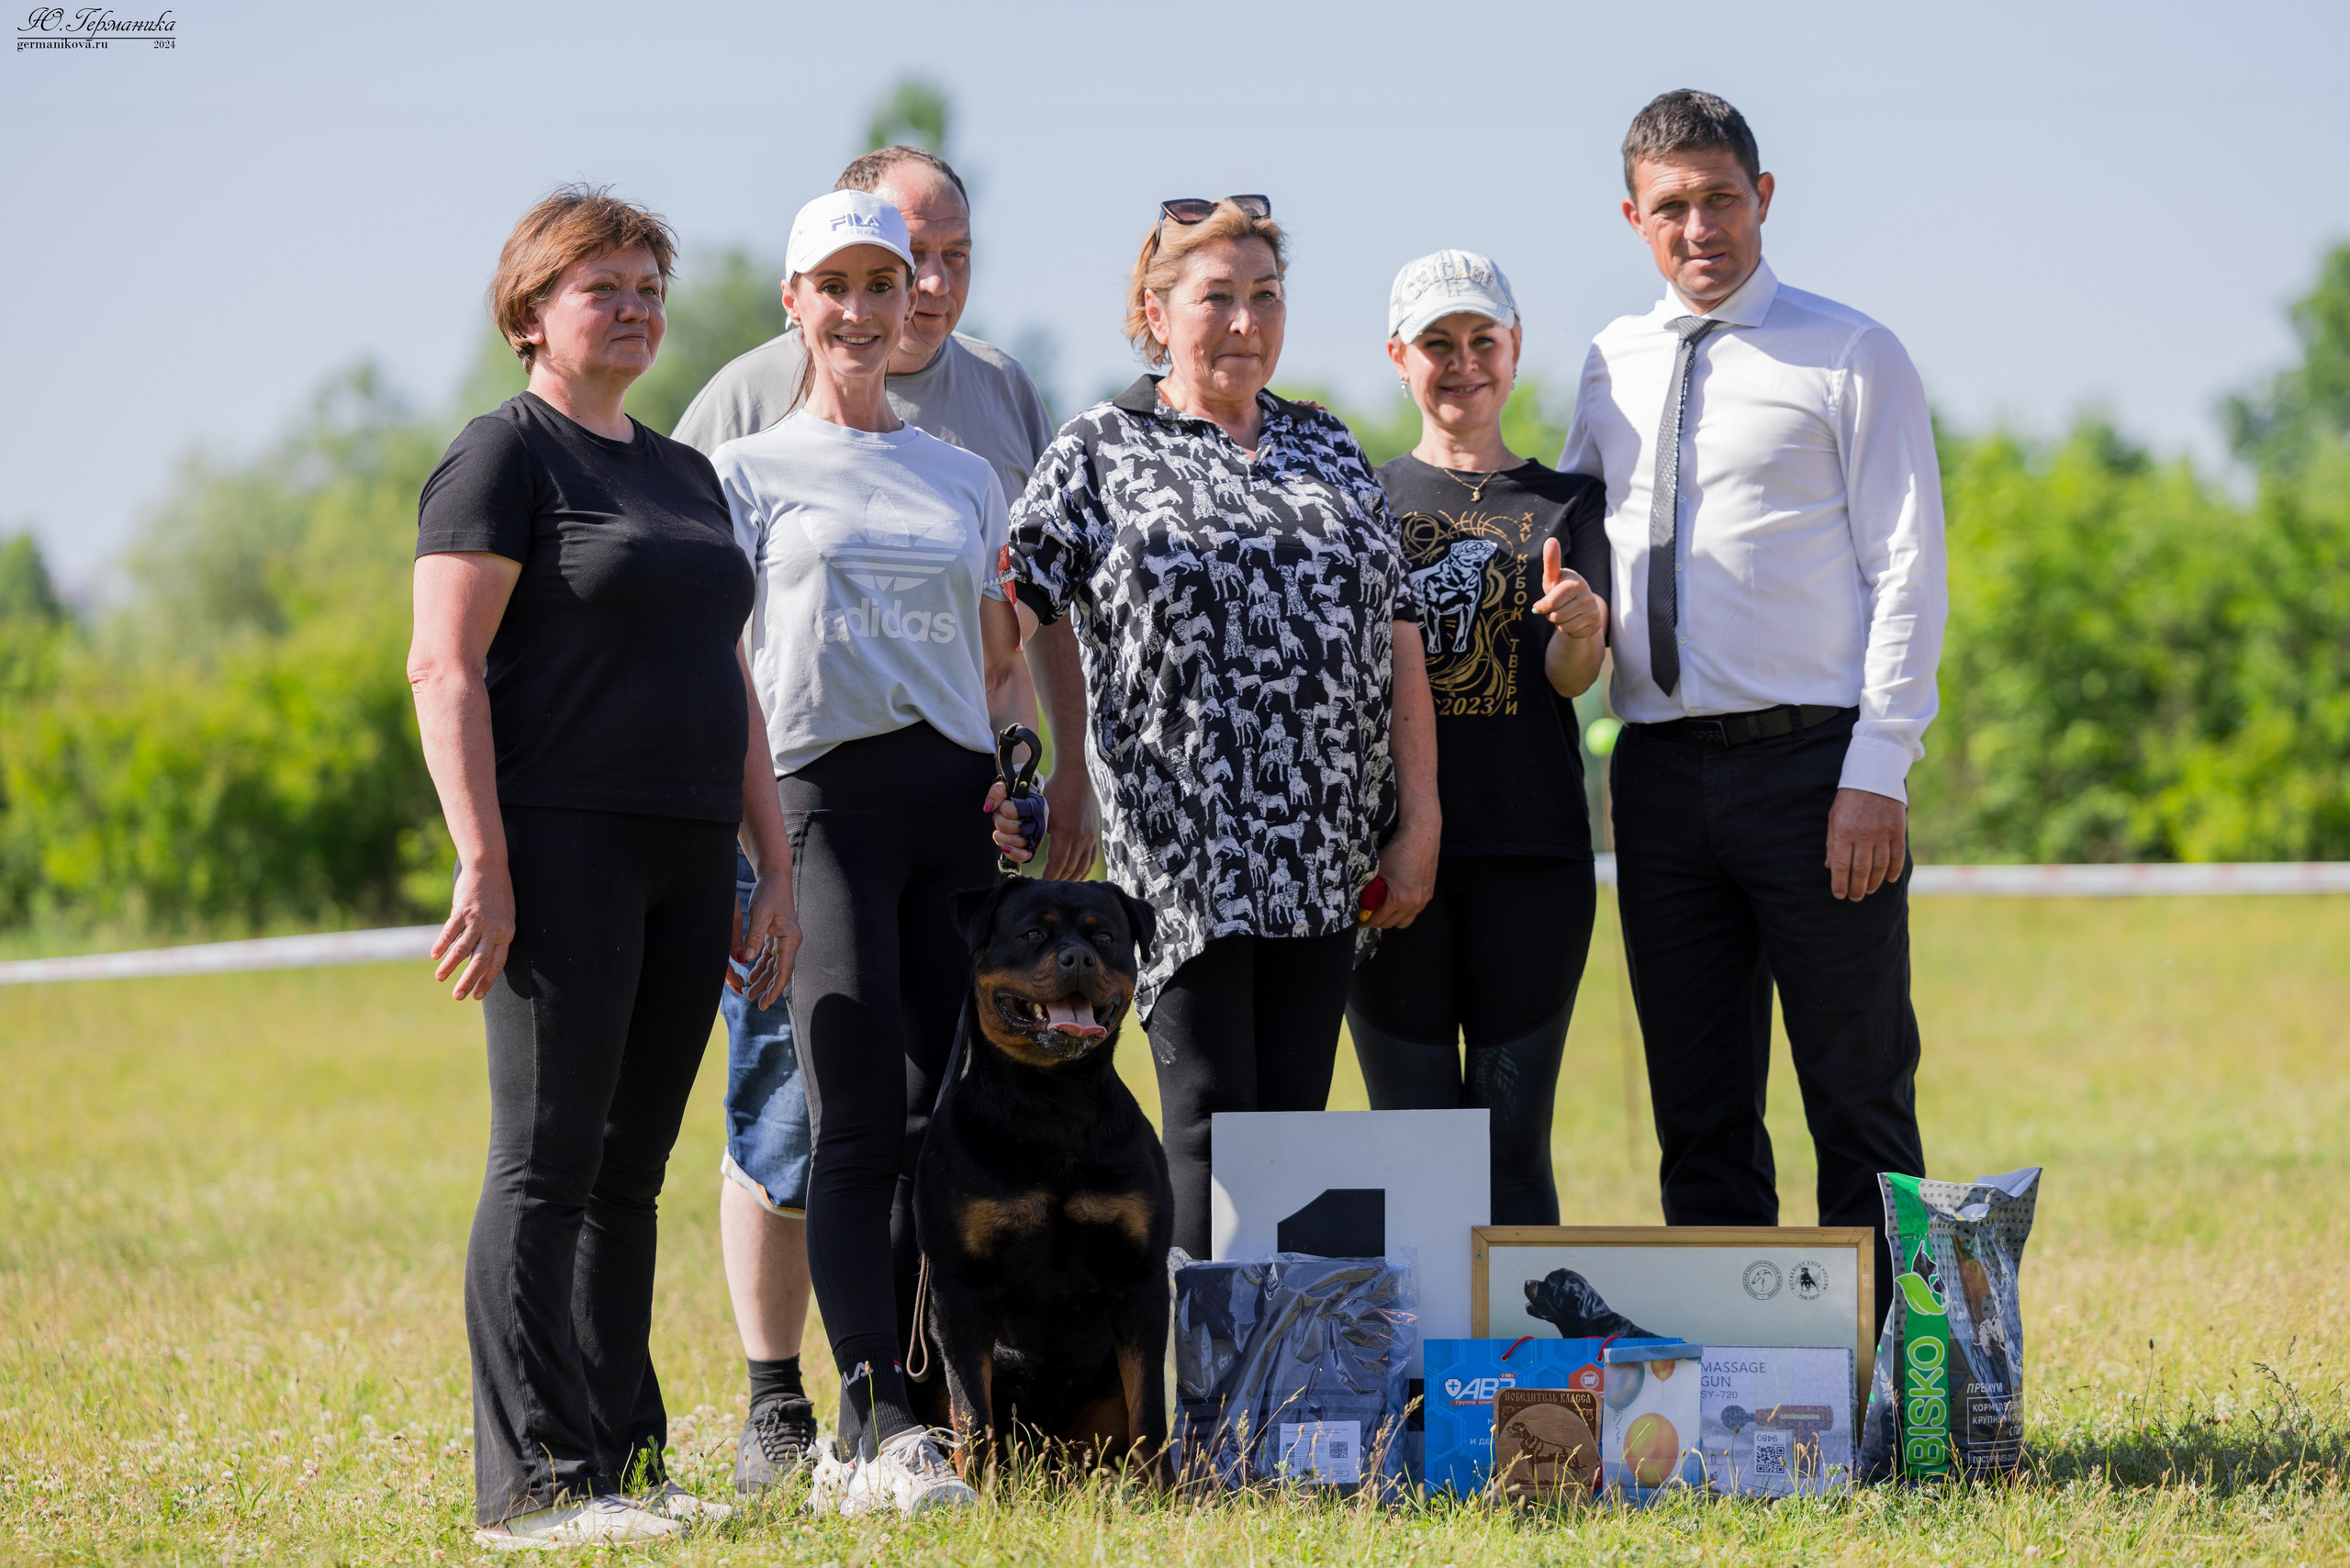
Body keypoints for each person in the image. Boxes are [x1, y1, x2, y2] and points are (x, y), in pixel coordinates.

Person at [670, 146, 1096, 1493]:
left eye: (886, 283)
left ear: (916, 294)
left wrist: (1019, 772)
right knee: (846, 1126)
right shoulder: (744, 470)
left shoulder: (964, 475)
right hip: (820, 812)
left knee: (935, 1121)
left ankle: (918, 1410)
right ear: (796, 299)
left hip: (948, 821)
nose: (864, 310)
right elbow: (718, 668)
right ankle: (865, 1418)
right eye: (837, 286)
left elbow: (997, 655)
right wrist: (755, 850)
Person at [409, 185, 799, 1549]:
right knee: (544, 1164)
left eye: (648, 287)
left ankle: (623, 1461)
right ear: (533, 314)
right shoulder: (500, 456)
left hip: (694, 852)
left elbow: (731, 679)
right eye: (602, 288)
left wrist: (774, 861)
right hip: (559, 843)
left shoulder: (685, 474)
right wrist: (483, 860)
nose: (634, 309)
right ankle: (529, 1491)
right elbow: (443, 667)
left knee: (631, 1173)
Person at [1560, 91, 1946, 1328]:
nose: (1700, 226)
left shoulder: (1852, 353)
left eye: (1721, 197)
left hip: (1816, 770)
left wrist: (1878, 766)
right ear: (1634, 216)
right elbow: (1577, 560)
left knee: (1857, 1091)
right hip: (1659, 779)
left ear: (1764, 196)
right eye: (1670, 206)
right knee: (1701, 1104)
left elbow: (1908, 567)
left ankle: (1897, 1394)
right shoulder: (1607, 363)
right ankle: (1746, 1388)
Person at [1007, 196, 1441, 1259]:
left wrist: (1419, 814)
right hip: (1179, 855)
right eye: (1218, 299)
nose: (1245, 321)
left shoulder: (1329, 447)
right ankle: (1203, 1406)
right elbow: (1011, 607)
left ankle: (1284, 1402)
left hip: (1322, 851)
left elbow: (1399, 637)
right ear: (1156, 313)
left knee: (1293, 1130)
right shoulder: (1099, 448)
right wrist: (1018, 760)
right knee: (1205, 1121)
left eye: (1266, 297)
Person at [1345, 252, 1609, 1225]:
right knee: (1414, 1143)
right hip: (1390, 865)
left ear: (1514, 349)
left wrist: (1582, 630)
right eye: (1437, 345)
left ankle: (1524, 1381)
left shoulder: (1568, 503)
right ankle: (1419, 1379)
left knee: (1509, 1143)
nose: (1462, 365)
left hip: (1532, 858)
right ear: (1397, 358)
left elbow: (1569, 678)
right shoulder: (1360, 500)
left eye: (1481, 342)